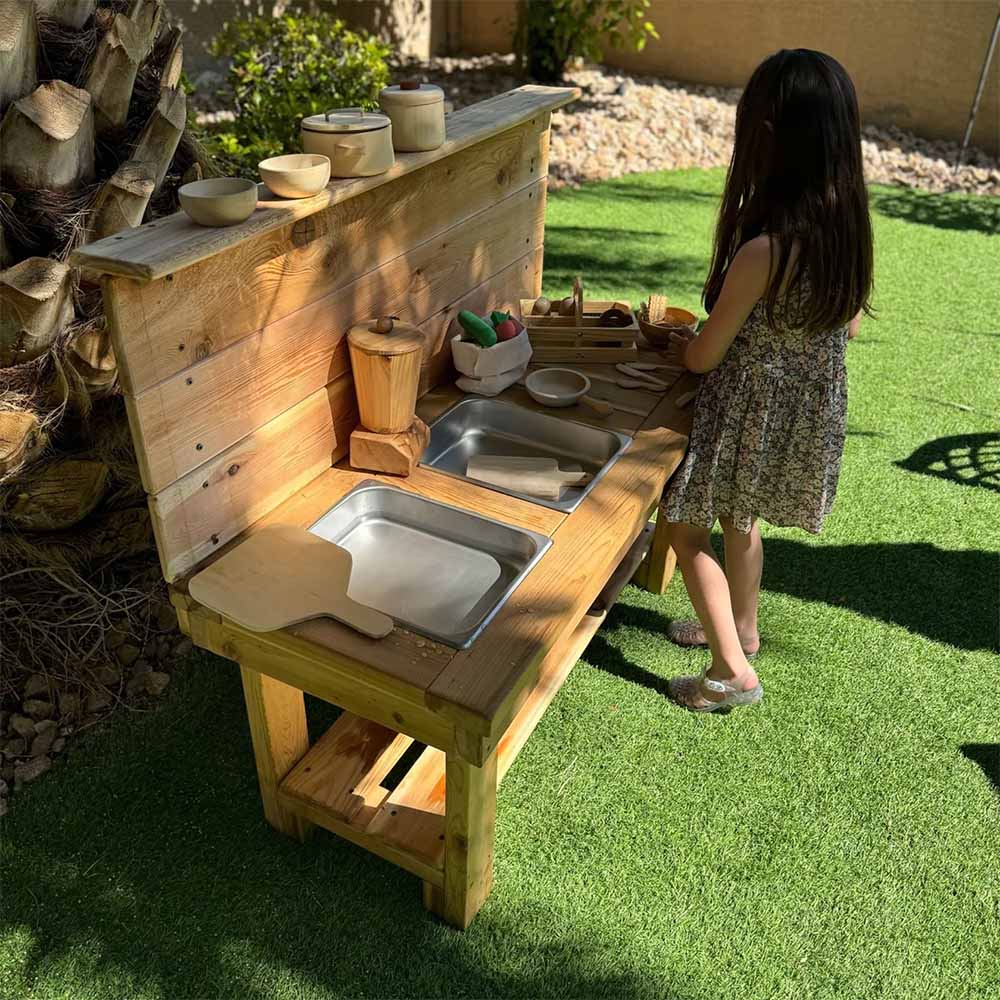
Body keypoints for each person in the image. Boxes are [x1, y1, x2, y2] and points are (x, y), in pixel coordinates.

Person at [661, 49, 873, 712]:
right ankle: (743, 630)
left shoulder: (763, 251)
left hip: (743, 416)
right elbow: (851, 328)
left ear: (771, 143)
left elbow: (703, 356)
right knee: (740, 520)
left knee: (686, 530)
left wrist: (681, 340)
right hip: (798, 421)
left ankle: (730, 674)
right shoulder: (845, 234)